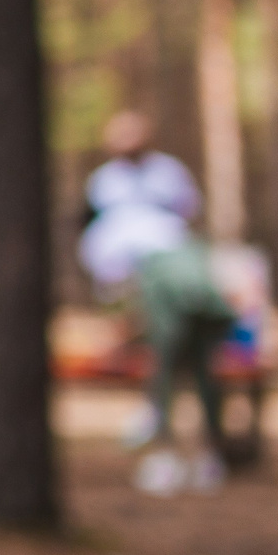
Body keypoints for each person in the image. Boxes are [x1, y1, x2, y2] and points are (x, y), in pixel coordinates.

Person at [78, 112, 227, 485]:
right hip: (138, 280)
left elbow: (189, 216)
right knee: (166, 358)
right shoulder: (103, 183)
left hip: (176, 270)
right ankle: (166, 449)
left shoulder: (168, 173)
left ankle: (204, 452)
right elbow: (96, 241)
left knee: (193, 358)